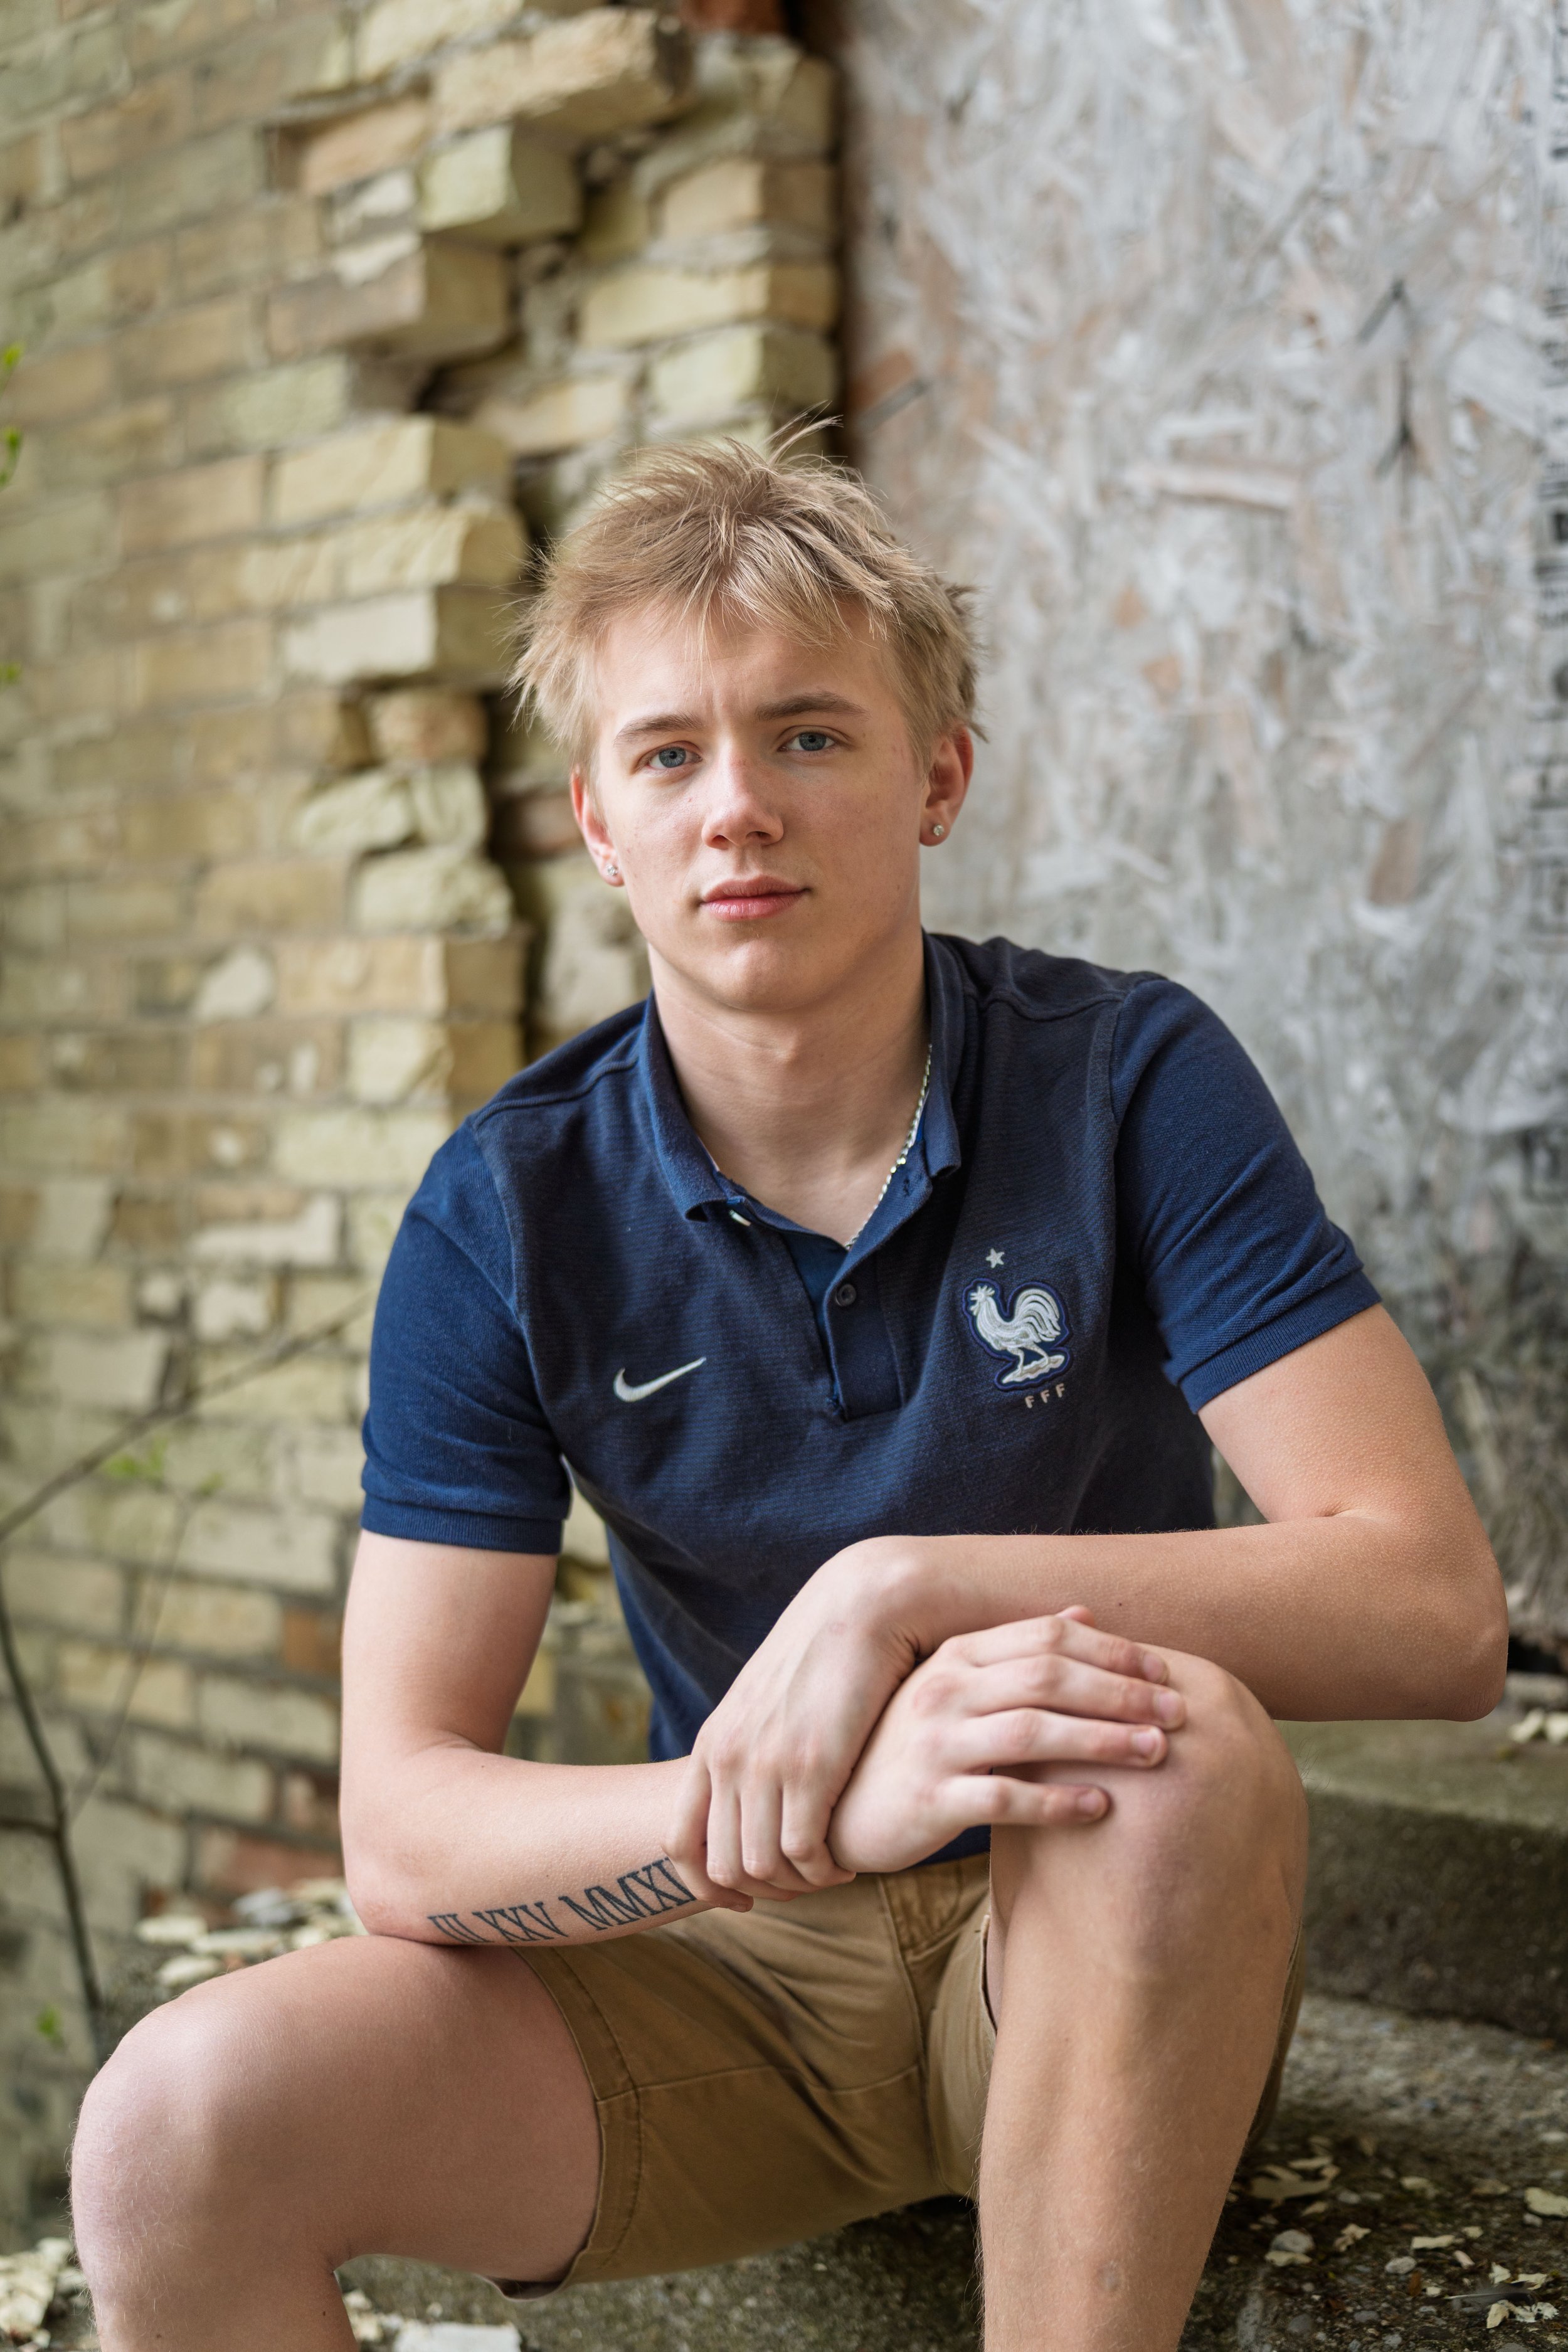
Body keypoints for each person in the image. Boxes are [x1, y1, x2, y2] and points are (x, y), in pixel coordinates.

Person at [72, 440, 1507, 2352]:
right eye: (668, 754)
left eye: (808, 735)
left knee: (1157, 1754)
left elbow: (1430, 1610)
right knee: (171, 2131)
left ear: (936, 777)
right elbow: (404, 1834)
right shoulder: (502, 1211)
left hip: (1094, 1952)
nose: (735, 805)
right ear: (598, 819)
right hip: (728, 1973)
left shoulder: (1127, 1080)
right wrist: (807, 1813)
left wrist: (900, 1590)